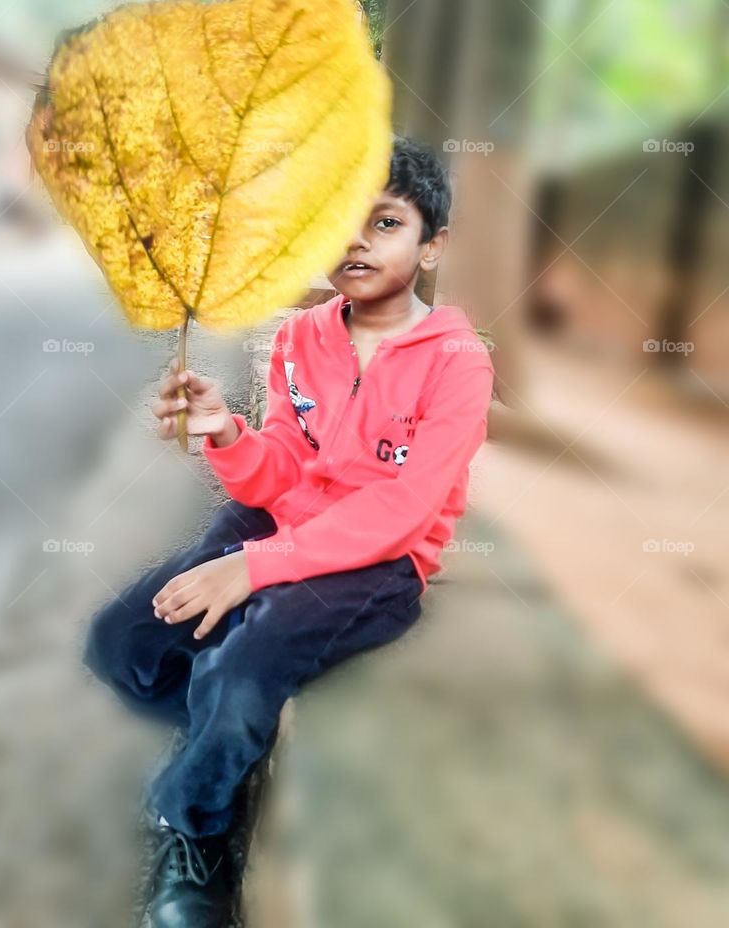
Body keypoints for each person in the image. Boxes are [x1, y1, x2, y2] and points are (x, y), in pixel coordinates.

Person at [83, 136, 496, 927]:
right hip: (281, 520)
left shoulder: (458, 361)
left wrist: (256, 568)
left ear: (432, 245)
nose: (356, 240)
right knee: (119, 645)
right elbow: (278, 471)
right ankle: (225, 738)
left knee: (242, 670)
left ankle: (195, 828)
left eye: (385, 222)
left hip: (378, 561)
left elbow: (404, 508)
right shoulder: (300, 338)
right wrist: (225, 432)